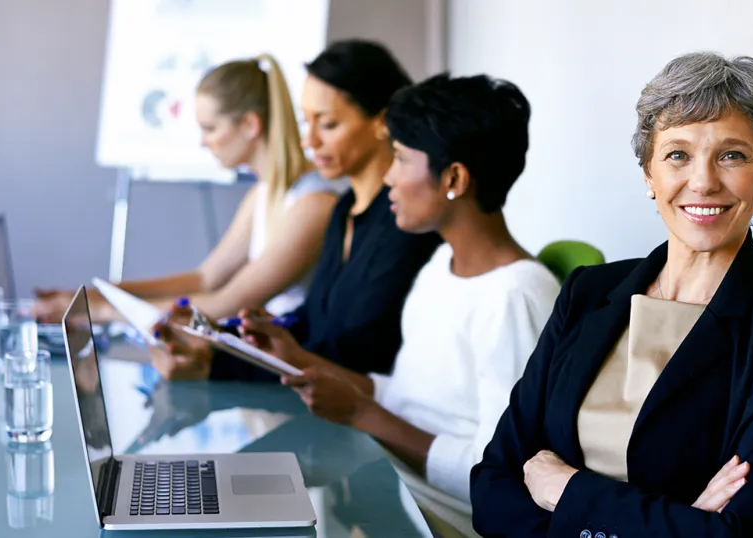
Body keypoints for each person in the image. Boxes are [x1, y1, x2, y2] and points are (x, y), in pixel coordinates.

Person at [470, 52, 753, 537]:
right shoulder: (588, 292)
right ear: (650, 174)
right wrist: (676, 520)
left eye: (732, 155)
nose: (704, 181)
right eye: (677, 154)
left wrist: (566, 491)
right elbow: (490, 487)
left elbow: (743, 534)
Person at [236, 74, 560, 537]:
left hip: (438, 519)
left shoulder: (514, 297)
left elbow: (501, 475)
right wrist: (296, 356)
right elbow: (410, 400)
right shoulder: (441, 265)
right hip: (385, 484)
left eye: (402, 159)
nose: (387, 175)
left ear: (454, 179)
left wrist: (361, 414)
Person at [151, 40, 442, 379]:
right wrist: (221, 345)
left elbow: (355, 355)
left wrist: (218, 363)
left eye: (328, 124)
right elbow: (313, 326)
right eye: (308, 123)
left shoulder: (405, 223)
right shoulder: (345, 209)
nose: (310, 140)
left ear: (381, 123)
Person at [35, 53, 347, 322]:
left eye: (210, 128)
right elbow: (206, 278)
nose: (202, 141)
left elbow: (226, 303)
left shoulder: (312, 204)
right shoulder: (263, 195)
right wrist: (96, 294)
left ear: (251, 125)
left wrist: (99, 310)